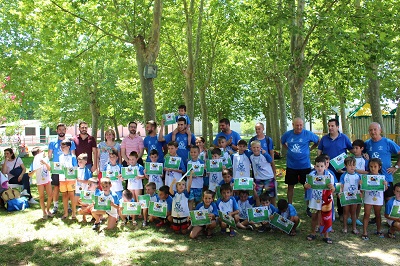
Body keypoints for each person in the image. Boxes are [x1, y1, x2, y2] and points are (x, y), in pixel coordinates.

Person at [317, 118, 353, 221]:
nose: (330, 128)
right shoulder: (324, 139)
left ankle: (341, 213)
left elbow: (352, 151)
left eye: (332, 126)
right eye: (329, 126)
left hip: (341, 171)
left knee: (340, 191)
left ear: (337, 127)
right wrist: (319, 162)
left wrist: (362, 154)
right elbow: (319, 151)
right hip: (327, 171)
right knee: (327, 191)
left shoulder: (344, 138)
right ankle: (326, 212)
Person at [281, 117, 319, 205]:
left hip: (305, 165)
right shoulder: (287, 134)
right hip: (291, 166)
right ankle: (289, 206)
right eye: (297, 125)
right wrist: (288, 149)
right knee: (290, 187)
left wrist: (310, 149)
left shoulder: (308, 134)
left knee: (307, 187)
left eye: (301, 125)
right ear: (293, 125)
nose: (299, 127)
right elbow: (282, 142)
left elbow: (318, 141)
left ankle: (309, 206)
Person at [365, 122, 400, 203]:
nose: (373, 132)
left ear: (380, 130)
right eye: (370, 130)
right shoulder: (367, 143)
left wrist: (396, 167)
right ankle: (377, 216)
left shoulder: (388, 142)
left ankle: (388, 216)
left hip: (386, 177)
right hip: (372, 178)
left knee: (389, 200)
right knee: (374, 201)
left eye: (375, 129)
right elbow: (360, 153)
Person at [304, 156, 335, 244]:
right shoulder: (311, 175)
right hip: (314, 200)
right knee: (314, 217)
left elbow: (333, 189)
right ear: (315, 166)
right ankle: (313, 233)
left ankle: (326, 236)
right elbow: (306, 185)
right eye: (318, 166)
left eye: (322, 166)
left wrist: (331, 187)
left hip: (325, 201)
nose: (320, 168)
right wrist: (306, 186)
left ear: (325, 166)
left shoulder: (329, 176)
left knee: (325, 217)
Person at [48, 123, 76, 214]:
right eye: (59, 129)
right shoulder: (52, 142)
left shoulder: (70, 142)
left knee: (68, 189)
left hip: (68, 170)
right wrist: (49, 166)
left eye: (63, 129)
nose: (61, 131)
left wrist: (73, 168)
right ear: (57, 131)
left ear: (65, 130)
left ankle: (67, 206)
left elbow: (73, 154)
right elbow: (49, 156)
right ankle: (55, 206)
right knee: (56, 187)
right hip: (57, 169)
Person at [361, 158, 387, 240]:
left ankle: (378, 230)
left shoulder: (382, 178)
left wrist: (385, 185)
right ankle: (365, 232)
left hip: (378, 199)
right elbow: (362, 190)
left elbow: (384, 189)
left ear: (379, 167)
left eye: (375, 166)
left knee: (378, 214)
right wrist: (361, 185)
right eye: (371, 166)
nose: (373, 168)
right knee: (366, 214)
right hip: (368, 198)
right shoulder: (366, 178)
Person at [340, 157, 361, 234]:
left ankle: (354, 228)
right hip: (346, 196)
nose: (352, 167)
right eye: (350, 165)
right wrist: (340, 193)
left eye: (353, 165)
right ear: (345, 166)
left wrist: (361, 192)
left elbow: (361, 185)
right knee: (345, 212)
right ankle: (345, 227)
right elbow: (341, 185)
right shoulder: (344, 175)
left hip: (355, 196)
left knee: (353, 212)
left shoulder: (358, 175)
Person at [249, 140, 275, 205]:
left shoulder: (264, 155)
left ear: (260, 148)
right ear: (251, 148)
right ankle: (258, 209)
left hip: (268, 177)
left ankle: (272, 209)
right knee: (257, 195)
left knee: (271, 195)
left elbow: (270, 160)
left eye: (257, 147)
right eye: (254, 147)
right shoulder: (251, 156)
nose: (256, 149)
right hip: (258, 178)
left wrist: (265, 153)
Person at [29, 147, 52, 218]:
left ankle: (48, 210)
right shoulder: (34, 163)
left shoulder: (46, 159)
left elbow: (49, 169)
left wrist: (45, 163)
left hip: (47, 180)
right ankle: (44, 212)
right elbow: (30, 175)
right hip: (40, 182)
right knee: (41, 197)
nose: (43, 152)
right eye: (41, 151)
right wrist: (35, 169)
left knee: (50, 196)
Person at [58, 139, 78, 220]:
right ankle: (65, 213)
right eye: (61, 147)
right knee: (64, 195)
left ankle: (74, 213)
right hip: (62, 179)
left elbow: (75, 168)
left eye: (64, 147)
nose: (62, 148)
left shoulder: (72, 157)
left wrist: (69, 173)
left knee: (71, 195)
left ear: (69, 147)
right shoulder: (60, 157)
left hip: (71, 179)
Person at [351, 139, 368, 225]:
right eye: (353, 148)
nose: (354, 150)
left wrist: (360, 171)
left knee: (359, 199)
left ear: (362, 148)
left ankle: (356, 217)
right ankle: (351, 217)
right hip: (352, 182)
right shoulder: (351, 159)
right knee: (352, 199)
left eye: (356, 148)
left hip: (361, 182)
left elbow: (368, 170)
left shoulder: (365, 159)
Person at [187, 145, 205, 210]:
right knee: (190, 201)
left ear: (198, 153)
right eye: (191, 152)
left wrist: (197, 175)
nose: (193, 154)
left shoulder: (201, 162)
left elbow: (204, 174)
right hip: (190, 186)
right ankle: (190, 216)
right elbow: (186, 174)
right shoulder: (188, 162)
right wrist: (190, 175)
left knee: (198, 202)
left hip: (199, 186)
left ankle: (196, 217)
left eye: (195, 152)